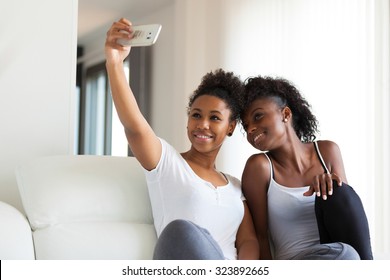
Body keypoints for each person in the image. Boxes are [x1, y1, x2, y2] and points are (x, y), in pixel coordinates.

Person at [104, 18, 259, 260]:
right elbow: (134, 127)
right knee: (181, 230)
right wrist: (114, 62)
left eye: (215, 118)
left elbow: (248, 240)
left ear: (231, 127)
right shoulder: (167, 162)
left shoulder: (235, 187)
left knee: (338, 253)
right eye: (196, 115)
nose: (203, 124)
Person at [240, 75, 373, 260]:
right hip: (297, 262)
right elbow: (259, 237)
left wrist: (330, 183)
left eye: (258, 116)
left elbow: (348, 216)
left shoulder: (327, 151)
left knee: (337, 192)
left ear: (286, 114)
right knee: (348, 255)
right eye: (246, 125)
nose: (250, 129)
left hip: (337, 254)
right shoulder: (260, 167)